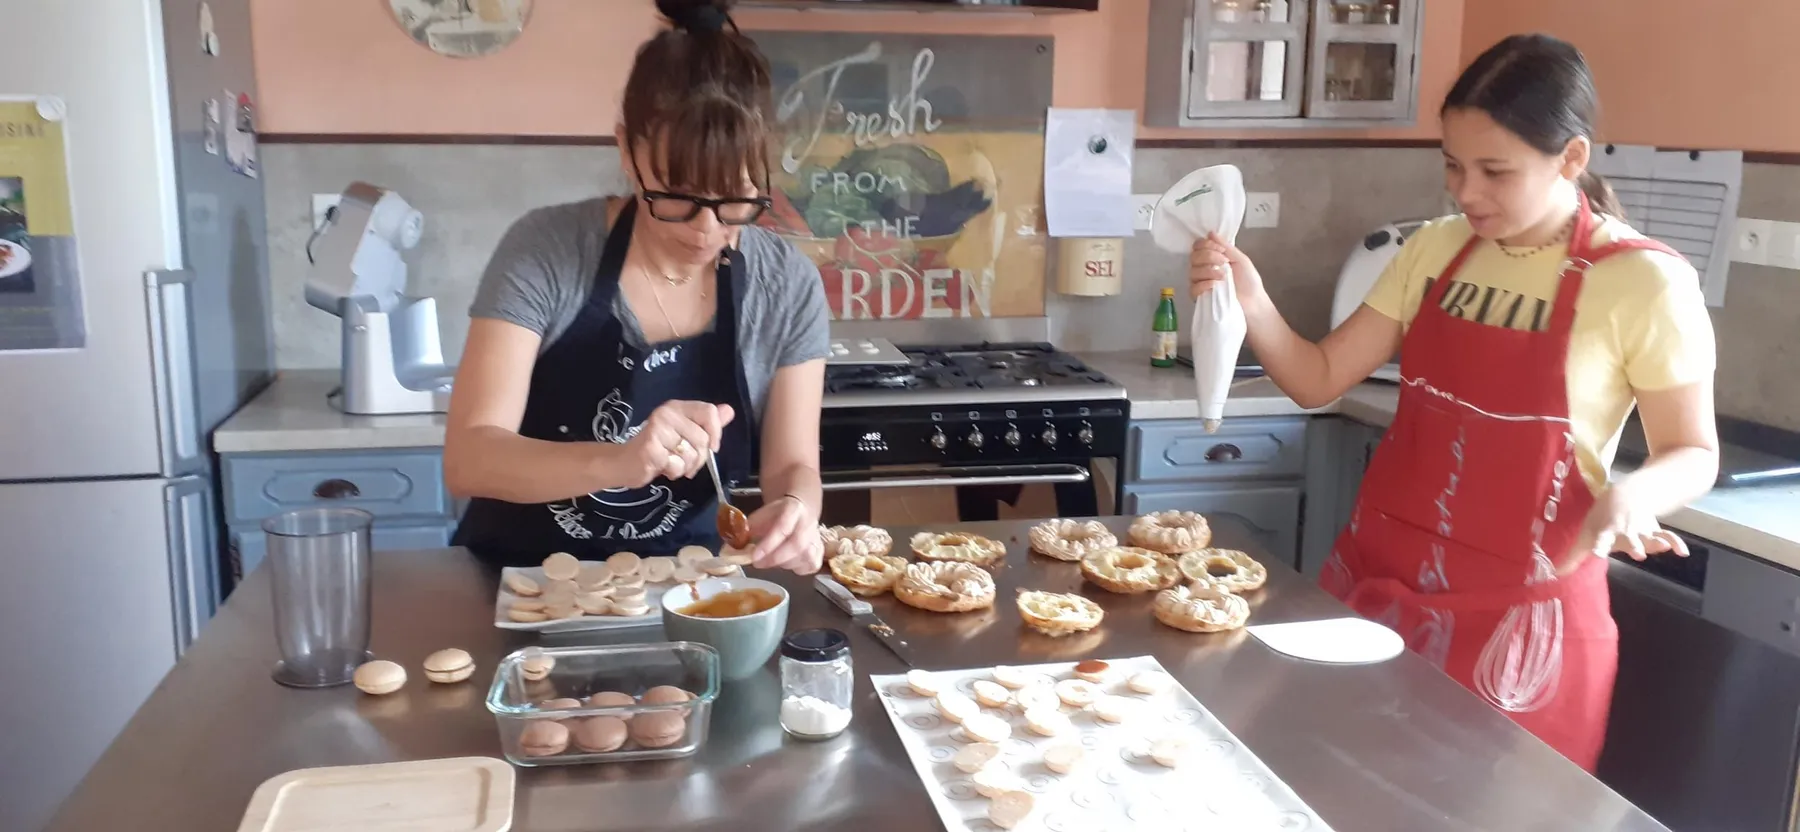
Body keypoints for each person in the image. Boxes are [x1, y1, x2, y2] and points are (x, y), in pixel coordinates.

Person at [1189, 34, 1719, 770]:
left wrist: (1634, 496)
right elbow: (1316, 378)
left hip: (1522, 630)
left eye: (1495, 171)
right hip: (1374, 594)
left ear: (1571, 159)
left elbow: (1693, 451)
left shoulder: (1644, 283)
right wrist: (1251, 298)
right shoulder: (1435, 250)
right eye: (1453, 165)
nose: (1466, 193)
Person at [445, 0, 827, 575]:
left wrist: (797, 509)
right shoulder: (547, 250)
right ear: (627, 150)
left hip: (687, 585)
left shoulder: (787, 285)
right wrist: (619, 462)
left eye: (735, 202)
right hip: (515, 584)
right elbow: (470, 456)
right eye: (677, 195)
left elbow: (793, 463)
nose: (705, 229)